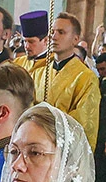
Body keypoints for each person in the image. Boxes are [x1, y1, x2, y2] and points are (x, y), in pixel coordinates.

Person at [32, 12, 100, 147]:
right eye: (52, 32)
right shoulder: (38, 73)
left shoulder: (86, 77)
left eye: (61, 32)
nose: (54, 36)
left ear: (75, 39)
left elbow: (83, 122)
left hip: (62, 149)